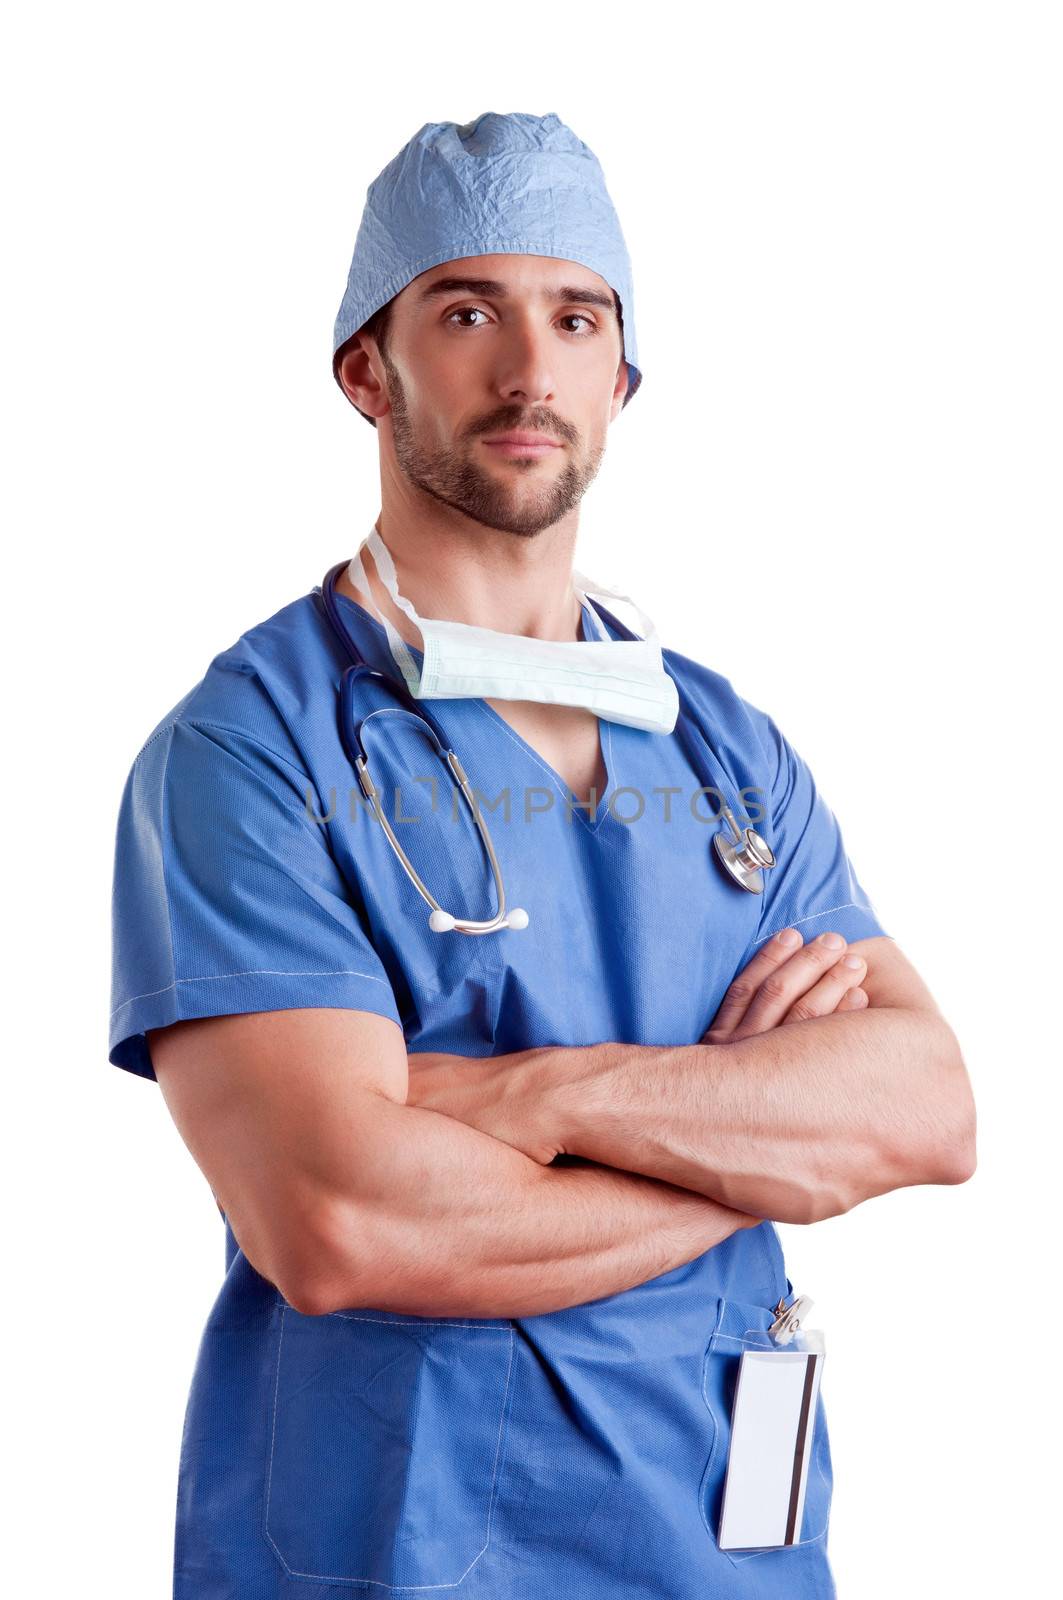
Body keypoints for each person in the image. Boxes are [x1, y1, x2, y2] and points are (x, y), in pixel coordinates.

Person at [108, 111, 976, 1599]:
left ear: (622, 377)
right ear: (368, 369)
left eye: (575, 317)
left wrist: (520, 1098)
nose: (529, 370)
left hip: (729, 1547)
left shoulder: (722, 748)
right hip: (412, 1550)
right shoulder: (254, 752)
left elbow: (929, 1110)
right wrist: (764, 1156)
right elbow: (339, 1218)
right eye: (469, 311)